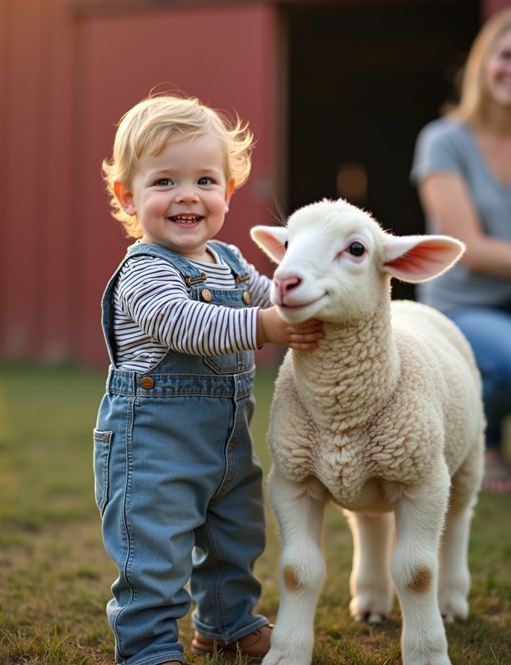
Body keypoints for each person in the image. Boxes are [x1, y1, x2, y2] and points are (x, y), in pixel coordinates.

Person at [95, 94, 323, 665]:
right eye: (165, 182)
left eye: (205, 179)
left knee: (235, 536)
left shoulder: (229, 260)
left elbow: (271, 295)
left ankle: (226, 622)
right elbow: (186, 324)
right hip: (151, 447)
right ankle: (147, 647)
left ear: (227, 191)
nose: (188, 195)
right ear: (128, 196)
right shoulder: (144, 271)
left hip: (226, 442)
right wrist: (266, 326)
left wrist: (301, 303)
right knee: (153, 550)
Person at [411, 6, 511, 502]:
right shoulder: (443, 140)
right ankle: (485, 439)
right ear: (483, 64)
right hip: (462, 306)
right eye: (507, 56)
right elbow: (470, 251)